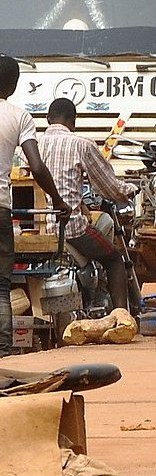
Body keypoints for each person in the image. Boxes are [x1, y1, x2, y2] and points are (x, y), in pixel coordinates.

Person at [0, 55, 70, 354]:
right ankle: (2, 347)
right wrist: (58, 201)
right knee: (1, 286)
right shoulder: (18, 116)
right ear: (14, 85)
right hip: (0, 209)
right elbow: (38, 168)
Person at [38, 98, 136, 312]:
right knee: (114, 260)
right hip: (70, 228)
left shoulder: (34, 145)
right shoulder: (81, 144)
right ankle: (122, 316)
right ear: (73, 122)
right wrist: (129, 190)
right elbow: (108, 186)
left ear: (48, 119)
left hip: (41, 228)